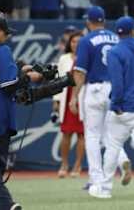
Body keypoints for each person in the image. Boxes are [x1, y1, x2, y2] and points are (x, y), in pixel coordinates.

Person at [89, 16, 134, 199]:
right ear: (133, 31)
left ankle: (105, 189)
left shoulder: (116, 52)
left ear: (118, 32)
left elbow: (118, 83)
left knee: (112, 146)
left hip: (124, 108)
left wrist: (116, 105)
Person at [0, 12, 41, 210]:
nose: (7, 37)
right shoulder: (1, 50)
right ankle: (6, 205)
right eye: (6, 33)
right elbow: (9, 84)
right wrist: (28, 77)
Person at [69, 6, 131, 190]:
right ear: (103, 20)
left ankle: (96, 178)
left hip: (94, 88)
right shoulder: (116, 38)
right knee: (110, 134)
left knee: (93, 135)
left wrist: (74, 97)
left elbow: (80, 72)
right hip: (114, 88)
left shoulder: (87, 40)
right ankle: (123, 159)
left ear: (89, 21)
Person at [53, 31, 85, 178]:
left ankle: (78, 166)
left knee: (81, 135)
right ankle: (64, 164)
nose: (76, 44)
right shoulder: (64, 58)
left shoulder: (87, 57)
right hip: (66, 100)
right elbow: (58, 82)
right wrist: (56, 102)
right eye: (73, 41)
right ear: (69, 43)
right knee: (66, 133)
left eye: (79, 41)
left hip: (83, 101)